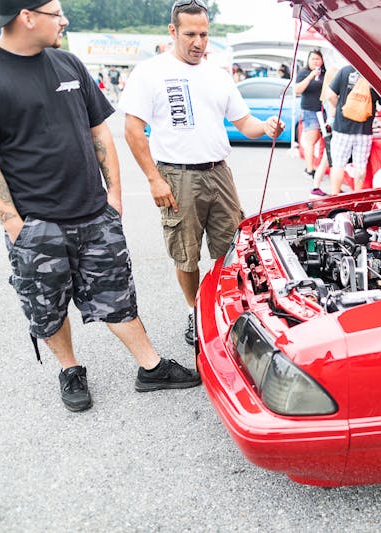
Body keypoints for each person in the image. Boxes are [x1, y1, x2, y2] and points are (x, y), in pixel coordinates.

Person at [0, 0, 201, 413]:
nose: (64, 20)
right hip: (37, 224)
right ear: (27, 17)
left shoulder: (68, 64)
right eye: (56, 13)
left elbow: (99, 131)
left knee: (118, 295)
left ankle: (150, 367)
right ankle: (70, 369)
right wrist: (16, 226)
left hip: (94, 213)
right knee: (48, 306)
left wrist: (114, 197)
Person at [119, 0, 284, 347]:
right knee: (186, 253)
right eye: (190, 34)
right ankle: (194, 310)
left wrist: (266, 126)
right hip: (177, 177)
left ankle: (229, 309)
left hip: (219, 174)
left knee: (231, 250)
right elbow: (133, 129)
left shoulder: (218, 75)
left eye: (204, 34)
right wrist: (153, 178)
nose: (198, 41)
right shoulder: (151, 72)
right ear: (173, 31)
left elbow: (245, 123)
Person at [327, 65, 381, 194]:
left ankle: (335, 196)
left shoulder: (345, 70)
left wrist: (339, 108)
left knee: (338, 164)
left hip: (342, 128)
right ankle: (356, 197)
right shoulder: (375, 76)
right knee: (360, 166)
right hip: (364, 130)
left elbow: (330, 95)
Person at [294, 49, 326, 179]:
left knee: (318, 138)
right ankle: (309, 169)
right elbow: (297, 90)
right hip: (309, 110)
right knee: (311, 141)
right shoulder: (304, 73)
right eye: (312, 59)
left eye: (317, 59)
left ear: (322, 61)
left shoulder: (326, 73)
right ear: (308, 60)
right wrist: (311, 76)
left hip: (324, 111)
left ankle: (316, 167)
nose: (315, 61)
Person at [310, 65, 339, 197]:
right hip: (333, 126)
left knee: (327, 159)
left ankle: (322, 187)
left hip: (329, 126)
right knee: (328, 159)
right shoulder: (331, 93)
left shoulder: (326, 91)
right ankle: (317, 187)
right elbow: (333, 112)